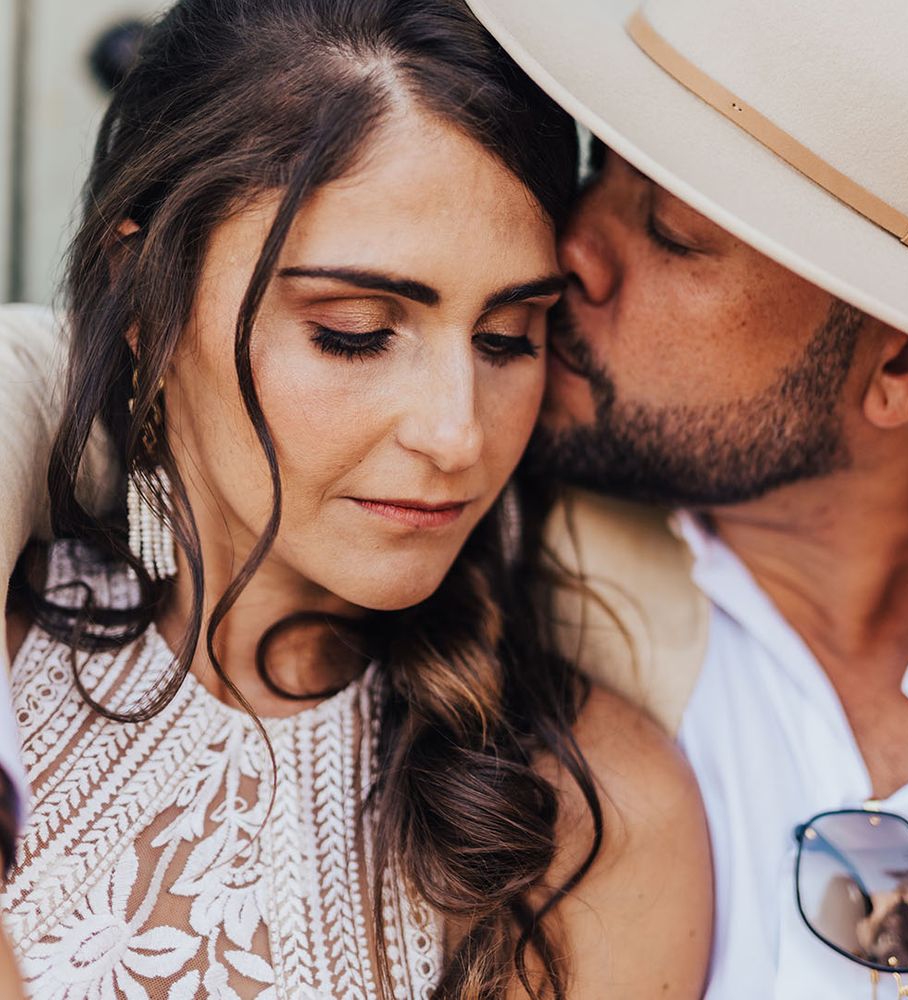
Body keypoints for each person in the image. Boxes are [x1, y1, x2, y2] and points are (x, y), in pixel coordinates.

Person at [0, 2, 713, 998]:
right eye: (355, 330)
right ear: (146, 291)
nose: (458, 433)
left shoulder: (588, 819)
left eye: (509, 337)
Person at [463, 0, 908, 998]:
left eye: (670, 232)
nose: (570, 248)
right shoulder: (460, 506)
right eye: (600, 169)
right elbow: (122, 416)